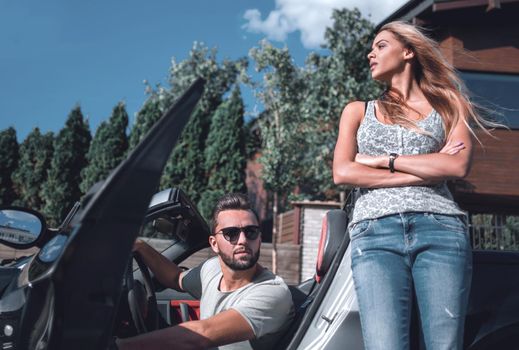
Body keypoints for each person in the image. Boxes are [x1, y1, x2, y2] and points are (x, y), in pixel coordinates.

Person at [333, 21, 493, 350]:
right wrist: (428, 169)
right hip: (374, 235)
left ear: (407, 51)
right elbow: (343, 173)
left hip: (441, 229)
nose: (370, 54)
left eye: (380, 46)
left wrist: (382, 160)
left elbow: (457, 165)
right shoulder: (357, 111)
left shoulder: (450, 104)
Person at [117, 193, 294, 350]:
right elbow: (175, 277)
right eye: (231, 233)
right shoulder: (212, 269)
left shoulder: (272, 292)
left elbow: (202, 334)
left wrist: (119, 346)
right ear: (214, 243)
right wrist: (141, 246)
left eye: (251, 232)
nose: (243, 240)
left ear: (260, 239)